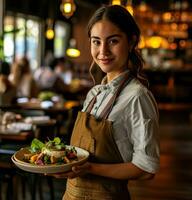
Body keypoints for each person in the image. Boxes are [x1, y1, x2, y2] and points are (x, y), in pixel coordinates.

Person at [52, 5, 160, 200]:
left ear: (132, 40)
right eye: (96, 41)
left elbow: (146, 168)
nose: (103, 51)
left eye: (113, 41)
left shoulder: (137, 96)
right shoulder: (94, 92)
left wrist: (90, 168)